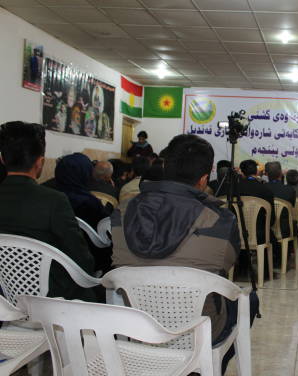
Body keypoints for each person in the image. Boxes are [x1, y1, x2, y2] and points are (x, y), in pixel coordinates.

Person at [111, 134, 254, 372]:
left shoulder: (122, 211)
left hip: (137, 325)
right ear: (204, 179)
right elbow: (226, 266)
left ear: (165, 166)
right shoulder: (221, 220)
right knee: (249, 301)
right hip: (199, 329)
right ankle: (205, 367)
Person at [0, 121, 95, 301]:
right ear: (40, 162)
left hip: (4, 296)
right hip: (49, 297)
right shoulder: (54, 200)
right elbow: (82, 260)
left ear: (2, 160)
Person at [55, 153, 113, 273]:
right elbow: (106, 229)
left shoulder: (50, 195)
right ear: (84, 174)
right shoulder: (89, 203)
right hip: (86, 261)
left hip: (54, 257)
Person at [238, 159, 275, 246]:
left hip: (237, 234)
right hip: (260, 235)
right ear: (256, 172)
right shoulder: (266, 190)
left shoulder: (234, 189)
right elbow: (271, 220)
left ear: (242, 173)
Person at [264, 161, 296, 240]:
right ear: (281, 174)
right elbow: (292, 208)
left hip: (266, 230)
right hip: (284, 230)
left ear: (266, 174)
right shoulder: (290, 190)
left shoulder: (261, 188)